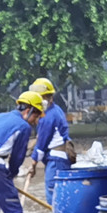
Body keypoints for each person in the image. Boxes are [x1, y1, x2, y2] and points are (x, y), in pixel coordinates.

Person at [28, 77, 74, 205]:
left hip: (56, 160)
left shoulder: (47, 117)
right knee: (64, 194)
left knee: (54, 196)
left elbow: (41, 146)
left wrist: (33, 163)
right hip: (62, 158)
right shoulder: (56, 110)